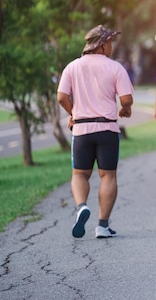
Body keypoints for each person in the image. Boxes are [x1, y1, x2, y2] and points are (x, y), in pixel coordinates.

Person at [57, 25, 134, 239]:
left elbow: (61, 97)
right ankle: (102, 225)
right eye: (109, 42)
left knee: (80, 174)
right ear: (101, 44)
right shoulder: (115, 68)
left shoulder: (72, 67)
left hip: (81, 129)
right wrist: (125, 109)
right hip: (107, 128)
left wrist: (74, 113)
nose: (111, 46)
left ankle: (82, 206)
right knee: (108, 175)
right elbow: (126, 99)